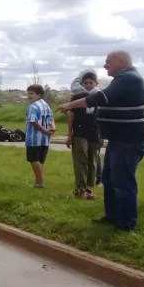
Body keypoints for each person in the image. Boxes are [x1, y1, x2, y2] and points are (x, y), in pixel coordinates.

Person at [57, 50, 144, 231]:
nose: (105, 65)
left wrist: (70, 104)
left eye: (108, 61)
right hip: (118, 139)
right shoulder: (122, 79)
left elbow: (100, 98)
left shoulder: (129, 78)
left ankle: (127, 223)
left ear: (121, 62)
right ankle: (113, 216)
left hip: (128, 140)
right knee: (109, 179)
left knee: (123, 182)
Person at [65, 71, 101, 199]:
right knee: (81, 160)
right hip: (80, 132)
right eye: (85, 83)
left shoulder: (100, 97)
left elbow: (102, 117)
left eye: (91, 83)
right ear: (82, 84)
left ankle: (89, 188)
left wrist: (101, 135)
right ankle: (80, 189)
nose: (88, 85)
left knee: (93, 162)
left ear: (96, 83)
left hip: (94, 132)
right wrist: (69, 135)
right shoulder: (77, 97)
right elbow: (71, 117)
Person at [25, 84, 55, 188]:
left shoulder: (33, 106)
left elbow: (33, 121)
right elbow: (51, 118)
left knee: (33, 159)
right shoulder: (46, 105)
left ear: (39, 95)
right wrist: (52, 128)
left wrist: (45, 130)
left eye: (32, 93)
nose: (29, 96)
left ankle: (41, 182)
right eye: (28, 93)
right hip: (45, 139)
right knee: (41, 160)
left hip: (34, 138)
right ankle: (37, 182)